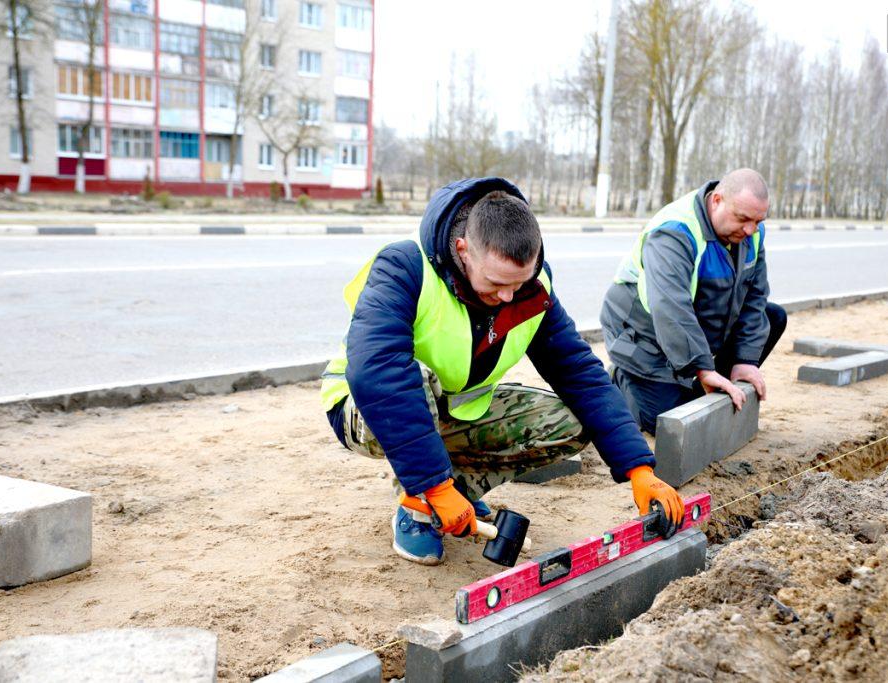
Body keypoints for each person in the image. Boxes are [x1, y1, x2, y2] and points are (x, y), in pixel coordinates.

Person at [320, 177, 684, 565]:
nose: (509, 296)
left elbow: (578, 371)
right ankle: (421, 506)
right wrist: (433, 483)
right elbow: (377, 370)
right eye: (496, 283)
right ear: (463, 250)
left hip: (453, 409)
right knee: (411, 377)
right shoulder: (405, 267)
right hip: (366, 407)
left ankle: (458, 491)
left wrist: (638, 467)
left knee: (572, 422)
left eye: (518, 283)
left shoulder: (531, 287)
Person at [600, 168, 787, 435]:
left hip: (690, 322)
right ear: (717, 201)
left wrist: (746, 359)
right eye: (743, 218)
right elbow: (670, 307)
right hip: (643, 332)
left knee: (773, 317)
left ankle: (700, 385)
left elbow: (754, 297)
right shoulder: (675, 232)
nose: (750, 229)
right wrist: (702, 369)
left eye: (758, 221)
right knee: (662, 421)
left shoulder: (751, 232)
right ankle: (621, 378)